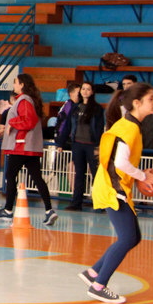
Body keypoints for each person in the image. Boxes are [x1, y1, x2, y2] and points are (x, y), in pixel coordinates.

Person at [78, 82, 153, 304]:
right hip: (112, 188)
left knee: (134, 237)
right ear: (137, 103)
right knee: (127, 238)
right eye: (150, 99)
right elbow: (121, 163)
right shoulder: (129, 128)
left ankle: (93, 273)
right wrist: (143, 176)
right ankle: (99, 286)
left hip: (113, 186)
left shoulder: (130, 125)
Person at [0, 74, 56, 226]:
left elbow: (28, 121)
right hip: (29, 146)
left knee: (10, 175)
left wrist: (12, 123)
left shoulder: (24, 100)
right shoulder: (29, 100)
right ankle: (49, 210)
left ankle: (8, 210)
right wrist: (6, 129)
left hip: (21, 145)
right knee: (37, 178)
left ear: (22, 85)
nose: (14, 85)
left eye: (15, 82)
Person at [55, 81, 105, 211]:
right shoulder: (75, 107)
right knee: (79, 175)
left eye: (88, 89)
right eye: (83, 89)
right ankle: (76, 203)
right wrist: (61, 143)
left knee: (96, 175)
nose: (85, 91)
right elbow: (67, 126)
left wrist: (99, 145)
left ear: (92, 92)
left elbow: (99, 128)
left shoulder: (97, 108)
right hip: (77, 144)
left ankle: (101, 203)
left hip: (91, 145)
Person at [52, 83, 81, 147]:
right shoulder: (69, 105)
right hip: (64, 138)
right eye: (78, 92)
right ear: (71, 94)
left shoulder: (75, 105)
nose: (80, 94)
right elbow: (68, 123)